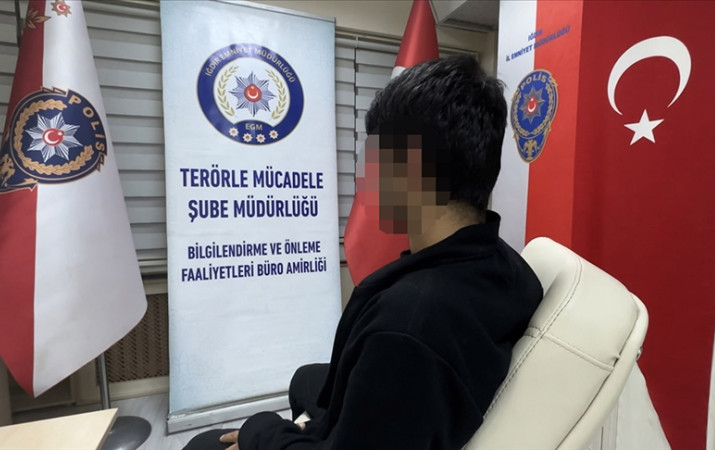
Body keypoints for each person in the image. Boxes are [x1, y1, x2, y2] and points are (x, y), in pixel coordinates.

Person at [184, 54, 543, 450]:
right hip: (416, 402)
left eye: (375, 160)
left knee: (205, 444)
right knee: (306, 379)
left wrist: (264, 432)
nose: (365, 178)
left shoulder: (406, 326)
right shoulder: (505, 263)